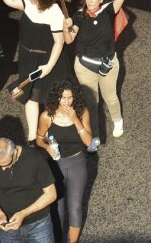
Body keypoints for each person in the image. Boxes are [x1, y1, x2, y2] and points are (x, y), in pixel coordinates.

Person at [2, 0, 68, 143]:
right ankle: (33, 135)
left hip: (46, 59)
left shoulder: (54, 12)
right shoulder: (27, 2)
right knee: (30, 95)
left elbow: (58, 43)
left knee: (47, 96)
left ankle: (47, 132)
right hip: (27, 57)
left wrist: (49, 66)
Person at [65, 0, 127, 147]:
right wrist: (66, 28)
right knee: (91, 102)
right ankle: (94, 136)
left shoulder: (107, 11)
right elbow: (69, 39)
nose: (90, 0)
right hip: (85, 65)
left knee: (110, 97)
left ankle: (117, 120)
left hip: (107, 62)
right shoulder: (79, 15)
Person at [37, 80, 92, 243]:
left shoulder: (82, 112)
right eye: (63, 97)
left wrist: (75, 119)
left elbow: (89, 142)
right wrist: (47, 148)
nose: (67, 101)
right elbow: (39, 139)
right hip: (56, 165)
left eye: (70, 97)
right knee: (58, 208)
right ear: (57, 97)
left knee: (75, 207)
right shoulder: (47, 116)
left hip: (77, 163)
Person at [0, 138, 58, 242]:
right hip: (8, 226)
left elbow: (51, 194)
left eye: (6, 165)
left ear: (15, 152)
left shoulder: (34, 158)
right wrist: (0, 214)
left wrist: (24, 213)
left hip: (38, 225)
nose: (3, 169)